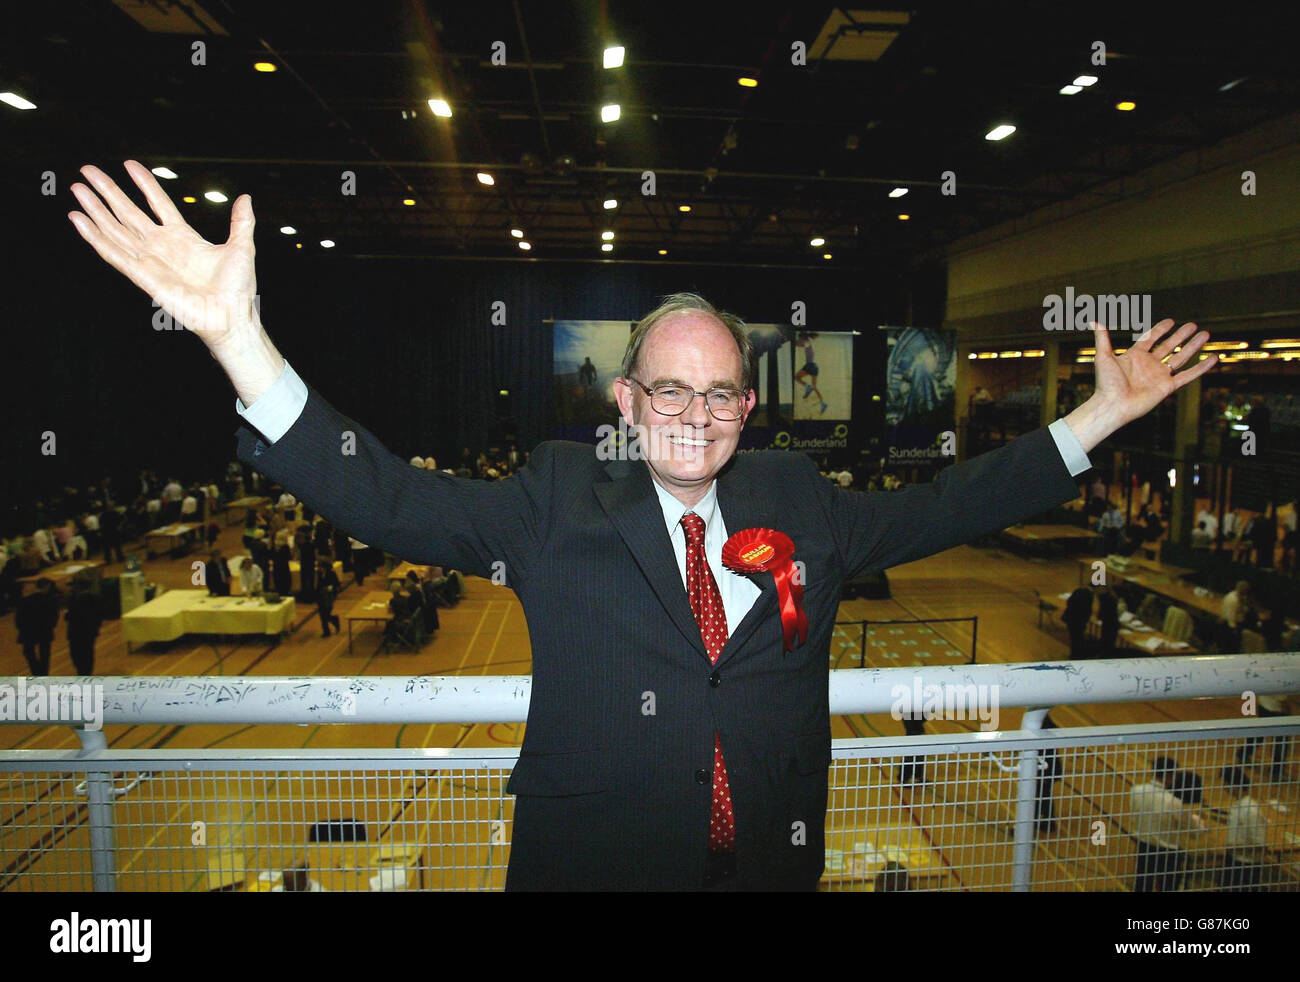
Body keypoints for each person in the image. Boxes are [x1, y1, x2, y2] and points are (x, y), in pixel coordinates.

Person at [68, 162, 1219, 890]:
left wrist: (1096, 419)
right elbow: (391, 497)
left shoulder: (798, 504)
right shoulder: (558, 495)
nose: (694, 416)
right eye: (668, 390)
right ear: (627, 404)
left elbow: (948, 503)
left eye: (718, 394)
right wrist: (239, 345)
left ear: (747, 408)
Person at [1129, 756, 1204, 892]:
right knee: (1168, 887)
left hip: (1143, 847)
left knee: (1142, 885)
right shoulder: (1172, 802)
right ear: (1171, 775)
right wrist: (1198, 819)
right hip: (1167, 854)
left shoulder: (1136, 790)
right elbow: (1194, 831)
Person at [1220, 766, 1268, 892]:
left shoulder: (1251, 810)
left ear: (1234, 785)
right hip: (1234, 860)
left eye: (1225, 783)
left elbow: (1260, 844)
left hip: (1246, 866)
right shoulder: (1239, 805)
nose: (1224, 788)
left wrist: (1233, 846)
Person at [17, 578, 60, 676]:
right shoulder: (51, 600)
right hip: (45, 631)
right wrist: (51, 626)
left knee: (29, 653)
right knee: (45, 654)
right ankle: (43, 673)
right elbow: (54, 617)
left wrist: (22, 629)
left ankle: (35, 671)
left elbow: (19, 619)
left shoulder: (25, 600)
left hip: (28, 632)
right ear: (47, 586)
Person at [65, 578, 103, 675]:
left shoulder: (76, 599)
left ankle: (83, 673)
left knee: (78, 655)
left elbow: (73, 615)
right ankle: (86, 672)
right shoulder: (95, 597)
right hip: (89, 632)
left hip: (77, 632)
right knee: (87, 653)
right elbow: (99, 615)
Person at [1062, 587, 1094, 660]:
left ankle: (1074, 654)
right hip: (1079, 621)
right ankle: (1077, 655)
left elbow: (1069, 601)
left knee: (1074, 638)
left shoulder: (1079, 590)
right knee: (1078, 638)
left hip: (1071, 619)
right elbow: (1088, 610)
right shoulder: (1089, 595)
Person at [316, 559, 342, 637]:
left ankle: (334, 620)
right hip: (321, 596)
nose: (319, 568)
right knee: (322, 614)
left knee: (325, 613)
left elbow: (336, 584)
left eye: (320, 567)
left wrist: (331, 587)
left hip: (329, 596)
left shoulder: (331, 574)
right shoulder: (319, 574)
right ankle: (326, 631)